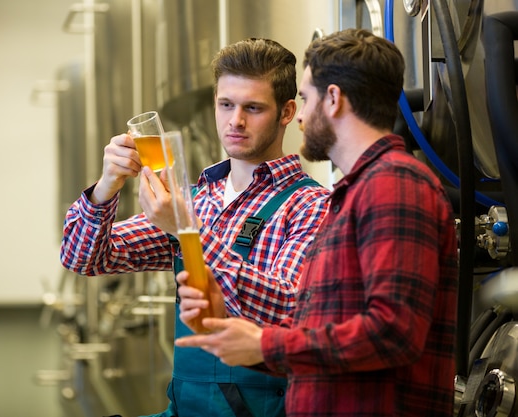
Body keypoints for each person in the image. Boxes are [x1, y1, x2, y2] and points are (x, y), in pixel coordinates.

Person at [175, 28, 459, 417]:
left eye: (305, 100)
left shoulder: (395, 183)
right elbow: (322, 341)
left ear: (333, 99)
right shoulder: (353, 196)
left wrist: (264, 345)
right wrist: (244, 337)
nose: (301, 116)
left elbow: (393, 334)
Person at [60, 37, 330, 417]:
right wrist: (107, 187)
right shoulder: (196, 198)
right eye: (226, 105)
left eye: (252, 108)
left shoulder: (311, 204)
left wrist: (187, 231)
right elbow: (83, 258)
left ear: (287, 112)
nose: (235, 121)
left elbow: (286, 309)